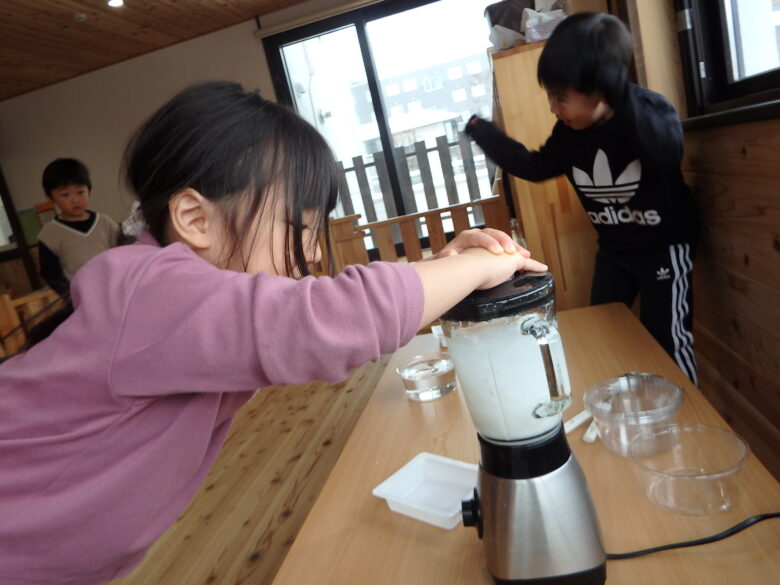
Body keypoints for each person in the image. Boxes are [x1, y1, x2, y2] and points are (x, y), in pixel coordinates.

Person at [0, 81, 546, 584]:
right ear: (195, 219)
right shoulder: (150, 288)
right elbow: (330, 320)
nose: (313, 252)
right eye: (299, 227)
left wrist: (441, 275)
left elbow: (314, 319)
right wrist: (476, 267)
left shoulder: (167, 299)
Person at [464, 12, 699, 384]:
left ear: (602, 89)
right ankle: (619, 399)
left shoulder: (647, 109)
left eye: (561, 98)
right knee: (601, 329)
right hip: (614, 252)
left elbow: (665, 154)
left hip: (664, 247)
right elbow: (535, 166)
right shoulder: (568, 133)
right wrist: (484, 132)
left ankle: (686, 409)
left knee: (666, 339)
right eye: (550, 96)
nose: (553, 108)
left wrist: (620, 95)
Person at [38, 158, 120, 297]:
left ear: (89, 191)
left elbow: (125, 253)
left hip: (116, 291)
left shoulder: (105, 223)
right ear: (51, 198)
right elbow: (51, 274)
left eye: (80, 192)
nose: (75, 200)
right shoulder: (49, 235)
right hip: (83, 299)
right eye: (65, 195)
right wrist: (71, 297)